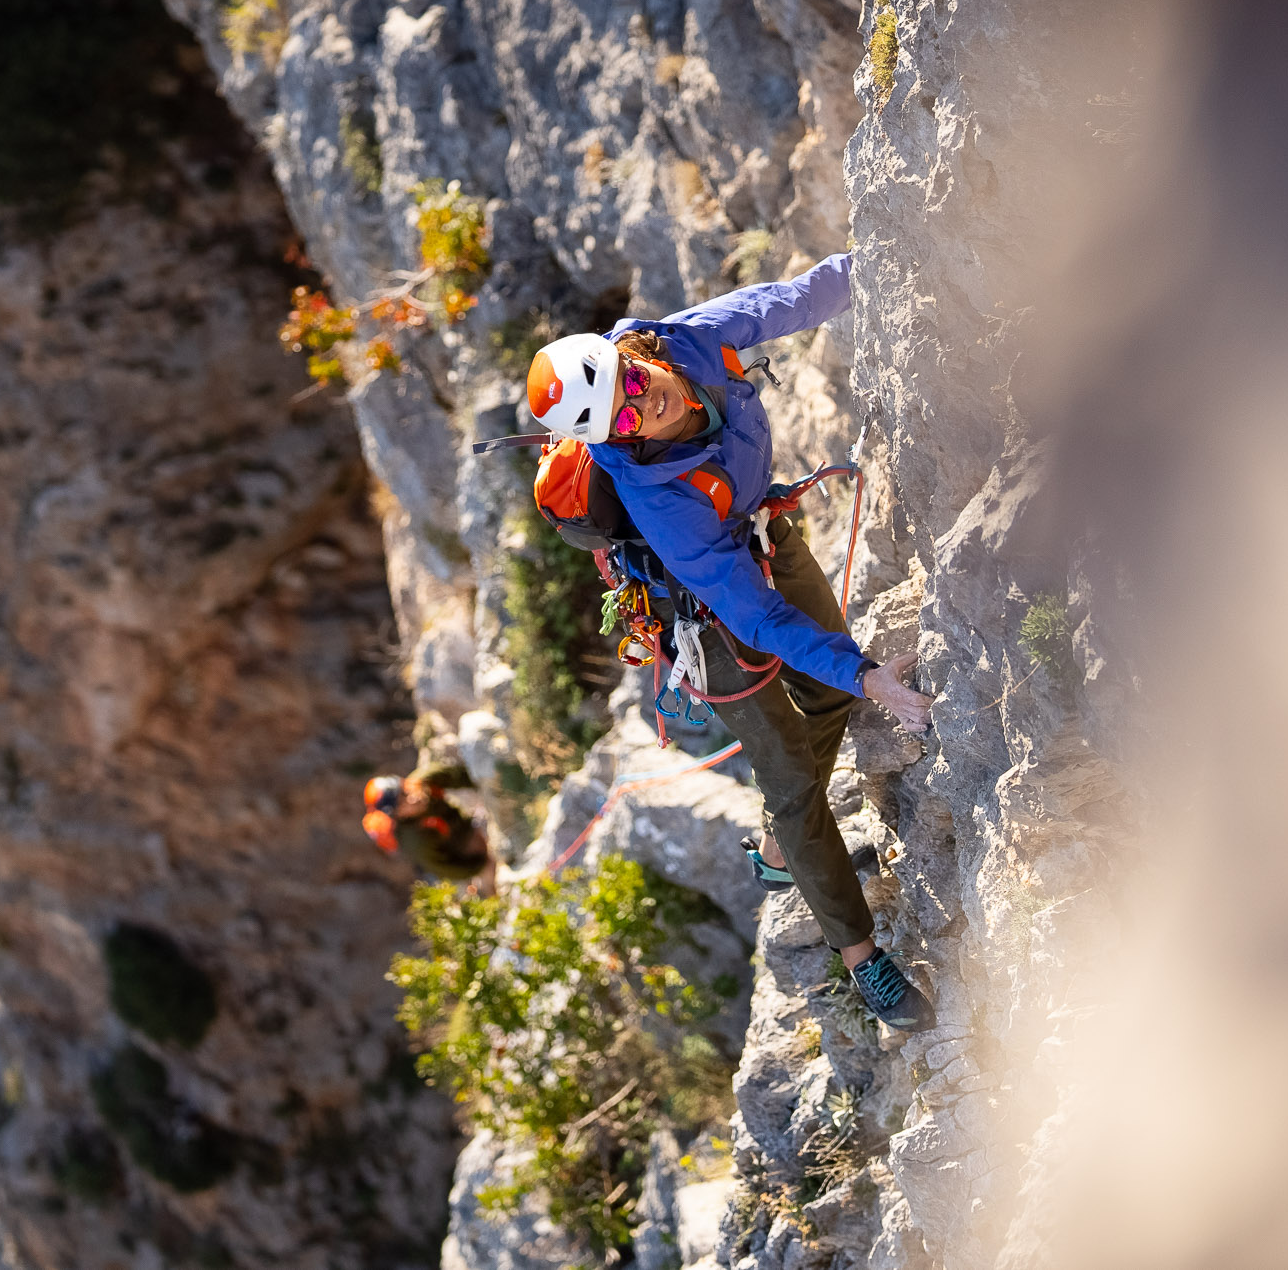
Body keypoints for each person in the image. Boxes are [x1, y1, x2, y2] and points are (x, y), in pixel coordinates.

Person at [523, 252, 936, 1031]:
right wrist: (871, 676)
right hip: (704, 614)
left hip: (759, 529)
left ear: (631, 354)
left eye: (632, 383)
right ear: (611, 438)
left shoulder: (683, 341)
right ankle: (860, 957)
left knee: (828, 699)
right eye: (622, 419)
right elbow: (756, 618)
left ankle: (782, 852)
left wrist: (892, 252)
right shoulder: (663, 503)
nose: (643, 404)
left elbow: (795, 298)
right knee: (790, 775)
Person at [363, 767, 498, 896]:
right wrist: (482, 862)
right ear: (400, 816)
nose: (411, 799)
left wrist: (493, 782)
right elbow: (448, 868)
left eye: (404, 792)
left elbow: (462, 775)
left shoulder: (423, 781)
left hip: (463, 826)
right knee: (488, 871)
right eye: (402, 804)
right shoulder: (416, 838)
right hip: (455, 856)